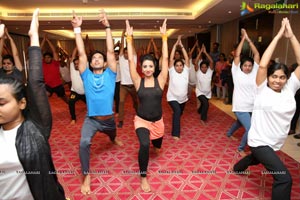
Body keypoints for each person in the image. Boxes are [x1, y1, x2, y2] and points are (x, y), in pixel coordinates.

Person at [0, 9, 65, 199]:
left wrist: (34, 36)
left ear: (22, 103)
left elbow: (36, 82)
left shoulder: (36, 129)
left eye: (2, 103)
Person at [233, 18, 300, 200]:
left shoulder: (290, 88)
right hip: (259, 141)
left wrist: (292, 36)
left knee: (255, 158)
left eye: (282, 77)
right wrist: (278, 35)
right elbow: (262, 65)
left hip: (275, 142)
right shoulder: (261, 88)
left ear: (287, 78)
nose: (277, 80)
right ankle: (247, 160)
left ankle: (239, 166)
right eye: (274, 76)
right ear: (268, 77)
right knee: (284, 178)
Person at [71, 9, 123, 195]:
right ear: (91, 64)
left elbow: (110, 50)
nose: (97, 59)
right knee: (84, 143)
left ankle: (113, 137)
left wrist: (107, 26)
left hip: (108, 119)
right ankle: (86, 176)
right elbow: (82, 55)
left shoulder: (111, 74)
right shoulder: (86, 75)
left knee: (112, 133)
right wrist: (78, 30)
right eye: (95, 58)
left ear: (106, 62)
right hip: (91, 120)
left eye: (100, 58)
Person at [125, 19, 168, 192]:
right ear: (141, 68)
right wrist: (129, 38)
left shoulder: (161, 80)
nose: (148, 68)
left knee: (157, 146)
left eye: (151, 65)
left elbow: (165, 58)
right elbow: (129, 60)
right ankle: (143, 176)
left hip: (158, 122)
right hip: (141, 120)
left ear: (154, 66)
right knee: (144, 145)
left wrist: (164, 37)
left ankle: (157, 144)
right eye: (145, 66)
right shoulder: (138, 81)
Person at [226, 28, 260, 156]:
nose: (248, 67)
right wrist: (243, 39)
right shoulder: (236, 72)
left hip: (252, 105)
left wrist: (249, 40)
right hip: (240, 106)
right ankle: (241, 148)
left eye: (249, 66)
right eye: (245, 65)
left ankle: (229, 133)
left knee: (240, 122)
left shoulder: (255, 70)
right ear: (241, 66)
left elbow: (256, 55)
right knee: (250, 129)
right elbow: (237, 55)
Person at [167, 36, 190, 140]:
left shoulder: (186, 71)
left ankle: (175, 120)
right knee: (177, 112)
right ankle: (175, 134)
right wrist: (175, 46)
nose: (179, 67)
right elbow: (171, 59)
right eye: (177, 65)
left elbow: (187, 59)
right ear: (174, 67)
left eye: (181, 65)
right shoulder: (172, 71)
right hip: (172, 97)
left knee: (179, 113)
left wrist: (182, 47)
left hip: (183, 99)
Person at [117, 30, 138, 128]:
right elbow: (121, 47)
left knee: (136, 101)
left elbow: (132, 45)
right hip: (123, 86)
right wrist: (122, 35)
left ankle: (139, 114)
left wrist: (131, 35)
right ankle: (120, 120)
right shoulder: (121, 59)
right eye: (125, 52)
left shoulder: (133, 58)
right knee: (121, 102)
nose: (126, 54)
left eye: (127, 52)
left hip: (134, 85)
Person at [41, 34, 68, 104]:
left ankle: (71, 106)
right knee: (44, 98)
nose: (47, 59)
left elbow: (54, 51)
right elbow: (39, 51)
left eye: (48, 57)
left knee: (65, 99)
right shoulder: (43, 63)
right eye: (45, 57)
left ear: (51, 58)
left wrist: (48, 41)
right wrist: (43, 41)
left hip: (58, 85)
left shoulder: (55, 63)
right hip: (48, 85)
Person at [194, 44, 214, 125]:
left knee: (203, 104)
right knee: (206, 104)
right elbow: (196, 62)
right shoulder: (198, 72)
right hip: (200, 92)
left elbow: (212, 61)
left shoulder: (210, 71)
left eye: (205, 67)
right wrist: (200, 53)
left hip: (208, 92)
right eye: (202, 67)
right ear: (200, 67)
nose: (204, 68)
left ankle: (199, 110)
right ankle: (203, 119)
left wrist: (205, 52)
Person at [68, 47, 86, 125]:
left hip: (85, 93)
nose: (76, 65)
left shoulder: (85, 68)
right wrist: (76, 47)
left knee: (92, 104)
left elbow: (84, 55)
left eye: (78, 63)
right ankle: (73, 118)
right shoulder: (72, 68)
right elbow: (73, 57)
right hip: (74, 92)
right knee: (71, 102)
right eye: (75, 64)